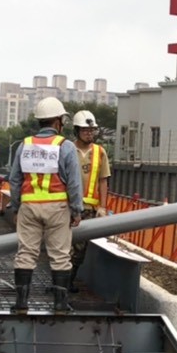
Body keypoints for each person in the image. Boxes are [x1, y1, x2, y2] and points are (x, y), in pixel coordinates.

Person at [6, 97, 84, 313]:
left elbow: (14, 180)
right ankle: (60, 304)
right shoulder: (65, 146)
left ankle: (21, 303)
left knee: (26, 253)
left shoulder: (25, 145)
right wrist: (76, 210)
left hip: (29, 207)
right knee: (60, 256)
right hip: (57, 208)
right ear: (58, 121)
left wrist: (16, 207)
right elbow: (74, 182)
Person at [70, 109, 111, 280]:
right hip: (66, 206)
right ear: (77, 131)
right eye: (85, 130)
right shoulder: (67, 149)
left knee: (79, 249)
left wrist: (102, 207)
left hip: (88, 209)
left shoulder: (99, 152)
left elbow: (103, 180)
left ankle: (68, 281)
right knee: (61, 247)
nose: (89, 133)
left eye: (92, 130)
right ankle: (60, 283)